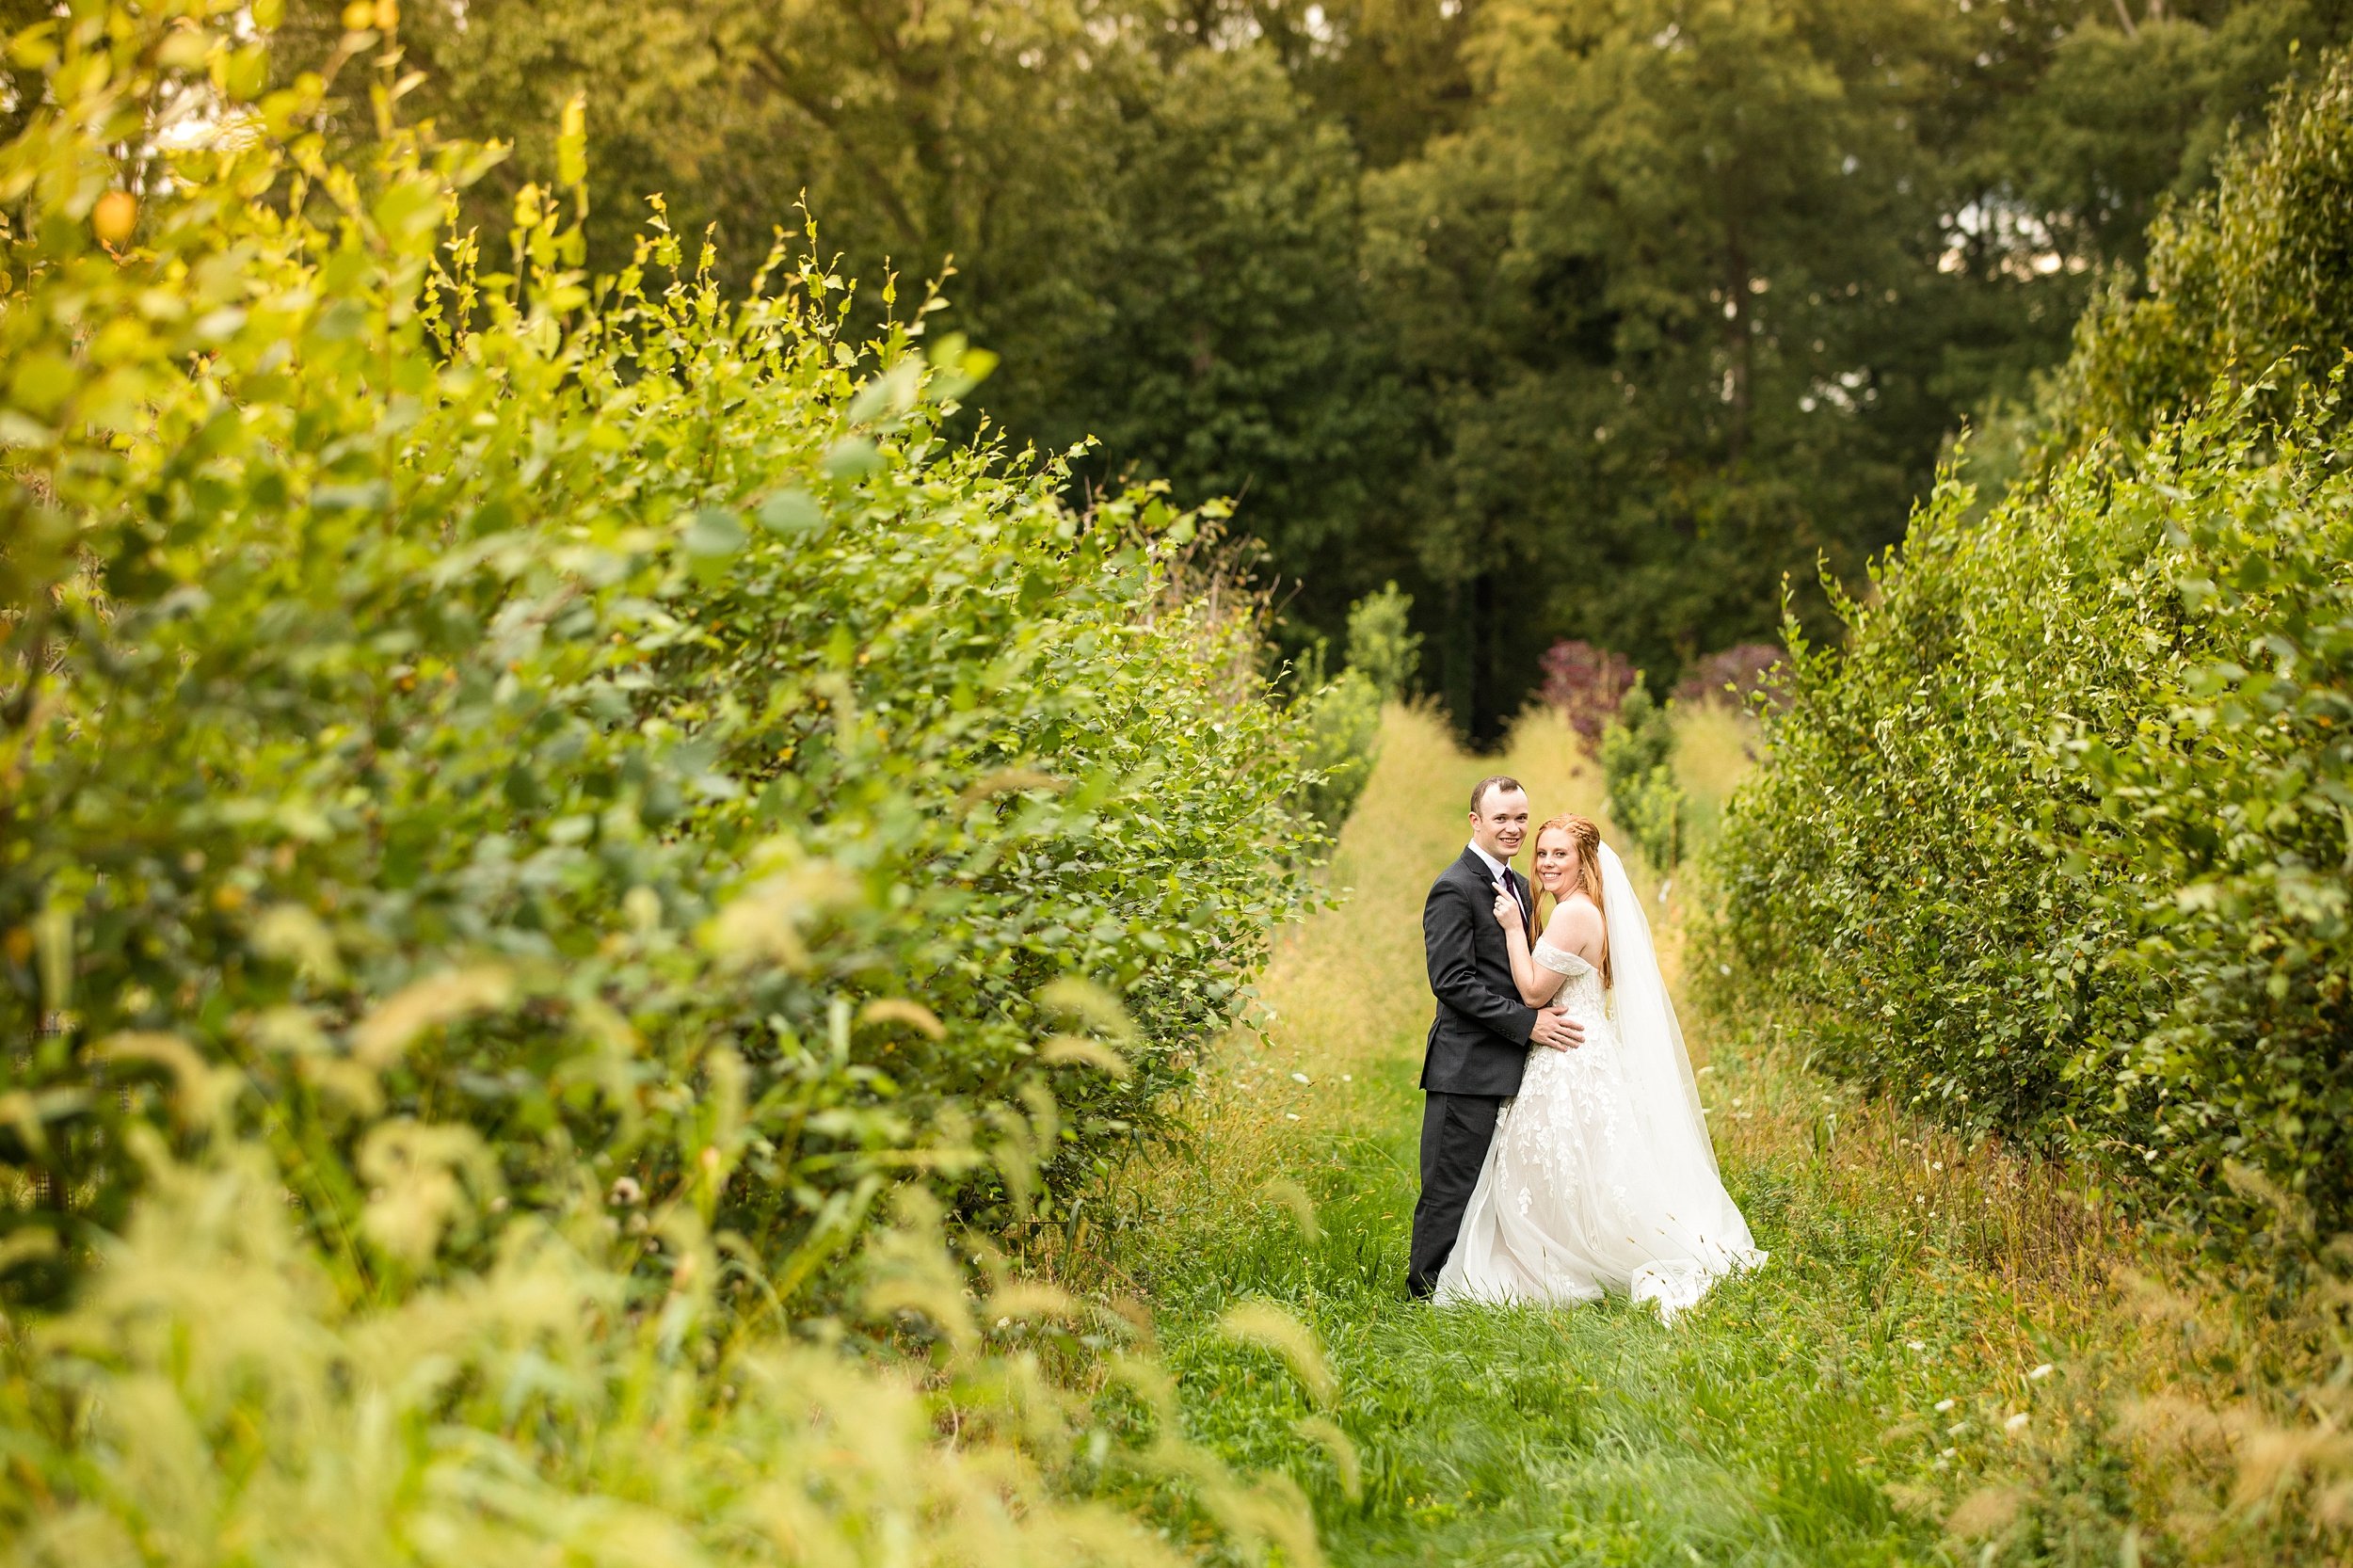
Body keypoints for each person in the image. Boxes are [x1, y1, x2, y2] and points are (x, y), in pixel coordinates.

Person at [1433, 812, 1765, 1318]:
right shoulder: (1585, 909)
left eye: (1559, 854)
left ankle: (1563, 1262)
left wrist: (1511, 931)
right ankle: (1567, 1252)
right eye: (1541, 853)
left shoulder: (1573, 914)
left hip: (1568, 1057)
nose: (1545, 863)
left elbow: (1532, 990)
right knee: (1574, 1164)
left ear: (1585, 860)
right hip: (1577, 1052)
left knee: (1556, 1162)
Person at [1406, 776, 1584, 1299]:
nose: (1513, 828)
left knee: (1495, 1189)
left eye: (1520, 818)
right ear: (1475, 821)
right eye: (1501, 817)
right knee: (1449, 1185)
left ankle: (1474, 1282)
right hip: (1466, 1066)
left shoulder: (1522, 887)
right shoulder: (1454, 887)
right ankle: (1423, 1292)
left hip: (1511, 1063)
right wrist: (1529, 1023)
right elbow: (1452, 981)